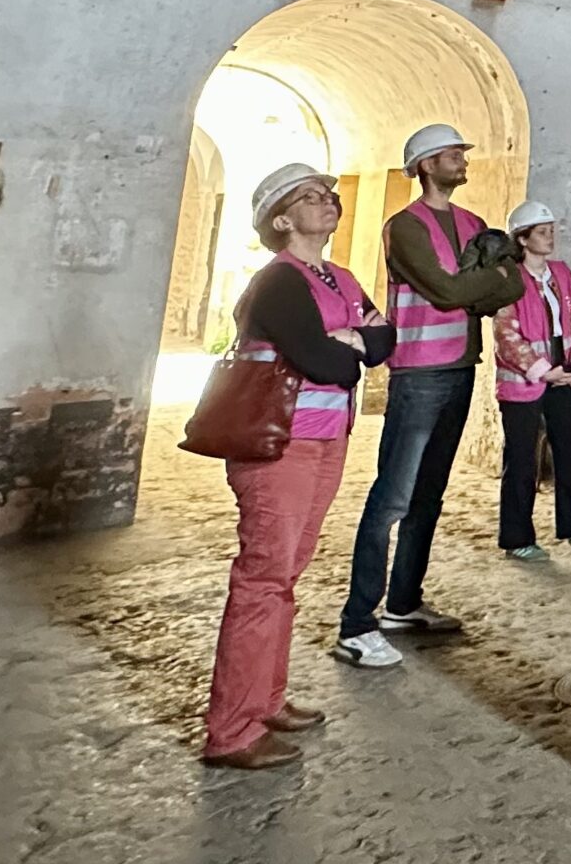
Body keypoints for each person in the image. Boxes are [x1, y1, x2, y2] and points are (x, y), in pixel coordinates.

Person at [201, 164, 395, 770]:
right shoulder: (279, 283)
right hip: (277, 446)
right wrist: (352, 348)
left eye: (328, 195)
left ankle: (267, 700)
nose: (327, 203)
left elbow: (385, 342)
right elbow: (324, 362)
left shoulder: (339, 277)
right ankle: (232, 731)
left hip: (325, 440)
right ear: (280, 220)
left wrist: (356, 348)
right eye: (309, 198)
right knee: (262, 579)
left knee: (286, 575)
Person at [333, 123, 524, 669]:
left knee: (429, 497)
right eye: (451, 154)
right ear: (424, 164)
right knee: (392, 498)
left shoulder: (473, 223)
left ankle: (404, 603)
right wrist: (475, 287)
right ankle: (356, 623)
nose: (462, 159)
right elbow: (446, 290)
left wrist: (473, 289)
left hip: (462, 367)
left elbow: (512, 286)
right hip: (418, 373)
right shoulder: (406, 227)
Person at [493, 198, 571, 557]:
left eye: (551, 231)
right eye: (542, 232)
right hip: (523, 381)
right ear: (523, 239)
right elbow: (506, 333)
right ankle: (518, 539)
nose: (550, 237)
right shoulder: (507, 278)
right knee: (522, 460)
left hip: (562, 373)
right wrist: (543, 371)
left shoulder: (560, 273)